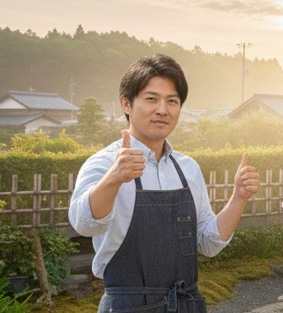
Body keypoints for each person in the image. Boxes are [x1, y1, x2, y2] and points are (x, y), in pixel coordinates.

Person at [69, 54, 260, 313]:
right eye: (151, 99)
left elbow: (208, 243)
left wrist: (239, 197)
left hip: (186, 304)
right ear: (126, 103)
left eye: (172, 101)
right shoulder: (104, 164)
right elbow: (84, 224)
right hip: (128, 306)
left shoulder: (188, 168)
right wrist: (114, 179)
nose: (163, 110)